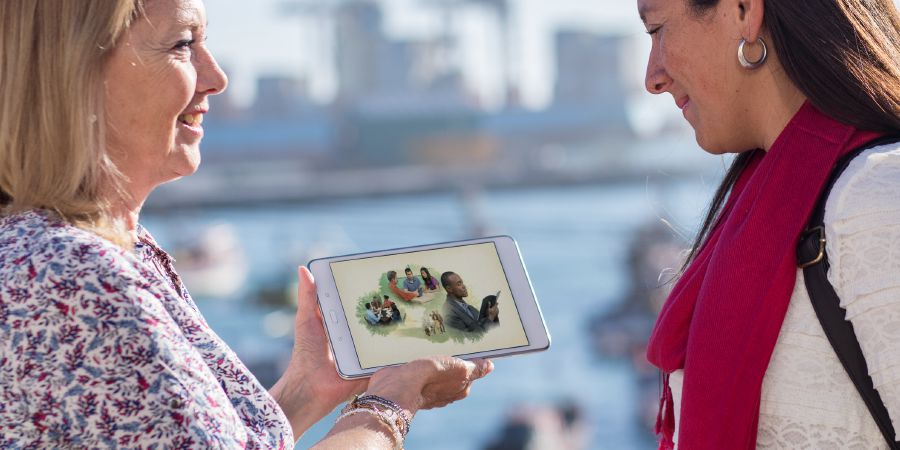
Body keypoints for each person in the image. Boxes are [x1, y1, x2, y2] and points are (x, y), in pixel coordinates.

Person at [0, 1, 493, 448]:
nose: (216, 77)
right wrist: (389, 403)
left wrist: (306, 390)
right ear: (72, 73)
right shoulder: (72, 275)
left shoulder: (97, 250)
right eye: (182, 44)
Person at [636, 0, 900, 448]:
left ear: (743, 11)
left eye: (658, 29)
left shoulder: (876, 197)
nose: (652, 78)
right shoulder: (776, 194)